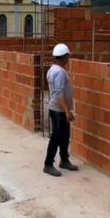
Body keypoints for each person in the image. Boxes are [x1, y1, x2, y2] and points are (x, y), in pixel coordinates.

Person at [43, 43, 79, 177]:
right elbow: (59, 93)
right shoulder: (59, 72)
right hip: (58, 110)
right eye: (67, 57)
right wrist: (67, 111)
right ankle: (48, 164)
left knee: (64, 136)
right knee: (56, 137)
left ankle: (64, 160)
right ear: (64, 57)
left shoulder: (54, 69)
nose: (68, 59)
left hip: (59, 109)